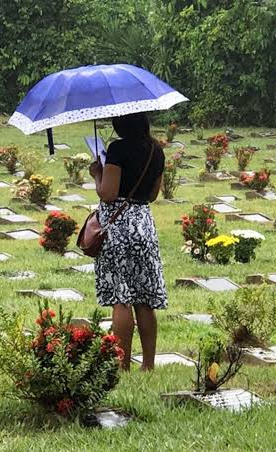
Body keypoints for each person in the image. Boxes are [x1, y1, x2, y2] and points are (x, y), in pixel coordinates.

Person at [89, 112, 167, 371]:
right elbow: (153, 194)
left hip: (119, 227)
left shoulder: (117, 149)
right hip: (144, 223)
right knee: (144, 298)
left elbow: (108, 193)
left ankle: (121, 366)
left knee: (121, 298)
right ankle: (148, 365)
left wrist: (97, 174)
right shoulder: (156, 150)